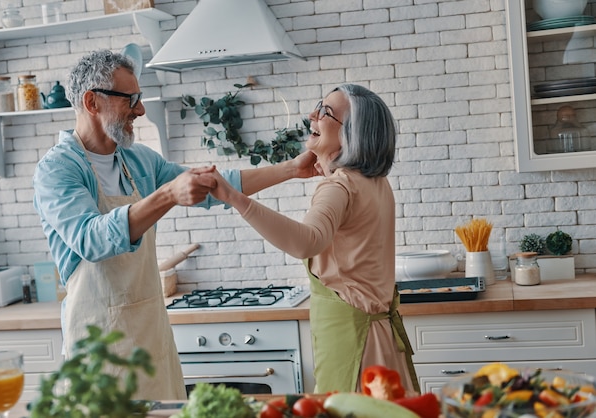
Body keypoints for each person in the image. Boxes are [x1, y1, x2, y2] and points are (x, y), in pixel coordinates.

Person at [32, 49, 318, 400]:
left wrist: (291, 169)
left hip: (150, 337)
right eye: (131, 99)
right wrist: (167, 195)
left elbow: (215, 185)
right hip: (98, 353)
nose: (140, 110)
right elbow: (91, 239)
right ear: (92, 102)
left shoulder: (137, 159)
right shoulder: (58, 169)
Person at [209, 84, 420, 394]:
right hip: (376, 337)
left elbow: (306, 242)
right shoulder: (375, 182)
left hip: (354, 344)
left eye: (326, 112)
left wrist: (234, 197)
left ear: (352, 132)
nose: (312, 116)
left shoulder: (341, 186)